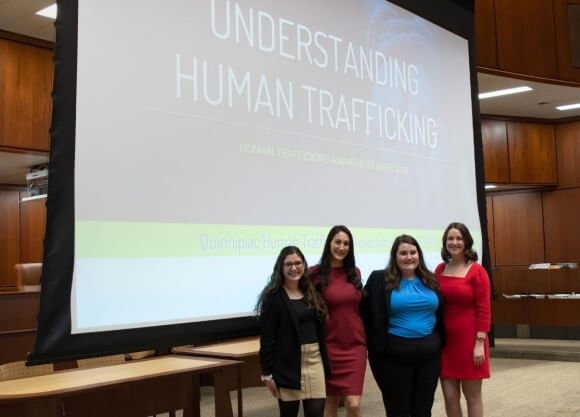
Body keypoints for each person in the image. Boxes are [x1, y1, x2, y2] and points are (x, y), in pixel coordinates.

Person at [362, 234, 445, 417]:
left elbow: (439, 314)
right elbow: (366, 313)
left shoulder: (430, 280)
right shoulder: (379, 279)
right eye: (403, 253)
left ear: (419, 255)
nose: (409, 257)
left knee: (423, 409)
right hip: (394, 357)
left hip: (429, 356)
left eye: (413, 252)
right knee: (398, 410)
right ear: (395, 256)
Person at [257, 246, 330, 417]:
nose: (294, 268)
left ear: (304, 265)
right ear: (280, 268)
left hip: (314, 361)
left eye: (298, 263)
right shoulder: (273, 298)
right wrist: (267, 374)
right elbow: (267, 339)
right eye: (288, 264)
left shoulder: (311, 291)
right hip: (287, 364)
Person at [435, 223, 491, 417]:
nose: (454, 242)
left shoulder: (477, 271)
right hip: (445, 343)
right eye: (450, 239)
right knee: (450, 398)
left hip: (471, 342)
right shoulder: (440, 269)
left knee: (472, 398)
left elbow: (484, 310)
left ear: (466, 241)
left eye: (459, 238)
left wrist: (479, 343)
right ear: (445, 243)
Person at [309, 225, 366, 417]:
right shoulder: (314, 274)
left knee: (353, 404)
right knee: (330, 402)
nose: (342, 247)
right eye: (338, 242)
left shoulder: (354, 272)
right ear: (329, 244)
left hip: (355, 345)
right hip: (328, 346)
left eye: (346, 244)